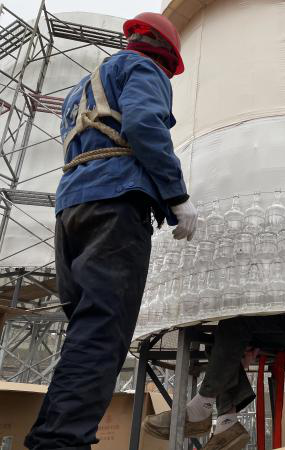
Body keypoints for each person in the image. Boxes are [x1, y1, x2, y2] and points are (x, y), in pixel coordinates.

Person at [25, 12, 197, 450]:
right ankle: (61, 442)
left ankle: (54, 436)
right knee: (103, 334)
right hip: (115, 206)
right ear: (167, 55)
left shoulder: (81, 89)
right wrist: (177, 196)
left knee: (86, 332)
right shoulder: (144, 68)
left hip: (72, 209)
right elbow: (143, 124)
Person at [144, 315, 285, 449]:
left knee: (233, 325)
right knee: (220, 343)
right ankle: (225, 421)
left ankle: (202, 410)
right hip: (277, 318)